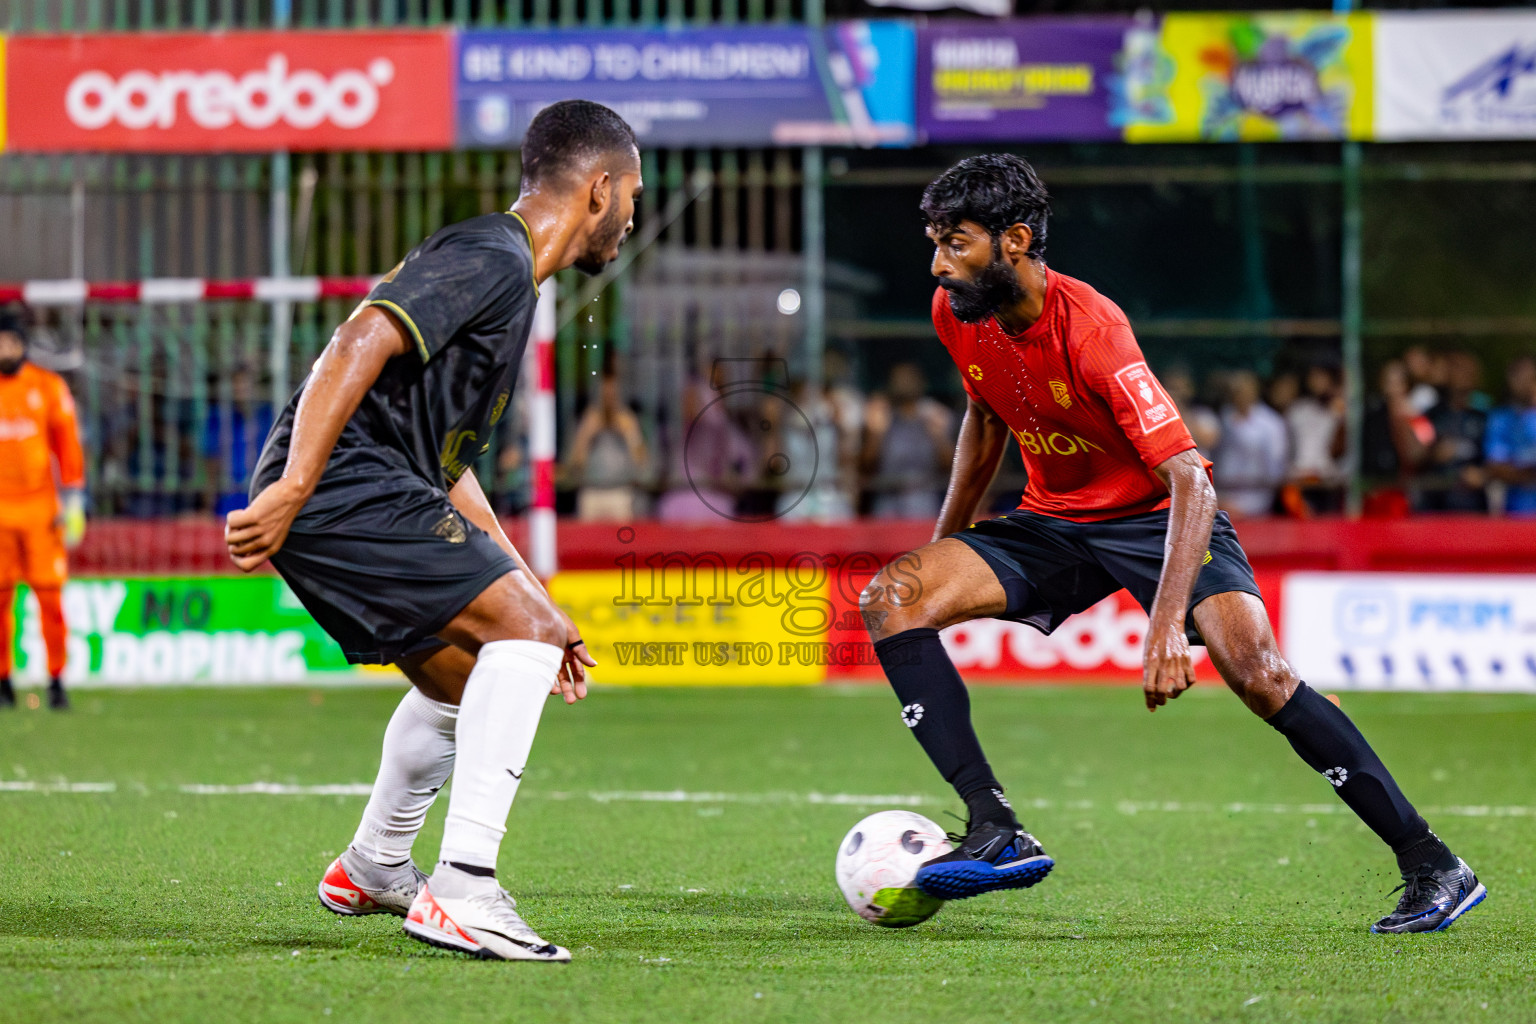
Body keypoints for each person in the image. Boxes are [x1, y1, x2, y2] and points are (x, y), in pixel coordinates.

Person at [858, 153, 1485, 934]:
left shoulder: (1093, 330)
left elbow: (1191, 479)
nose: (938, 263)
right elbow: (985, 419)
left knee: (1259, 675)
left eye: (956, 243)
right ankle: (996, 828)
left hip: (1161, 516)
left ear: (1014, 240)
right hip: (1054, 521)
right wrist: (944, 548)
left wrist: (1163, 628)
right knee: (893, 596)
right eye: (935, 241)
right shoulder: (956, 313)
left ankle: (1433, 864)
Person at [226, 100, 641, 961]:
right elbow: (355, 340)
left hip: (366, 484)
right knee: (514, 638)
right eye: (634, 192)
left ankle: (375, 865)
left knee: (465, 677)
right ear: (599, 189)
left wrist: (526, 592)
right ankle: (466, 889)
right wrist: (295, 485)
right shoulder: (491, 253)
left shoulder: (510, 277)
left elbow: (447, 463)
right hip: (343, 485)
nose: (634, 213)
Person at [0, 313, 85, 710]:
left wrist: (73, 500)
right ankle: (3, 680)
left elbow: (67, 445)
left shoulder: (47, 387)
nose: (5, 350)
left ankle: (56, 679)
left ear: (22, 345)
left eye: (11, 343)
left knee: (50, 598)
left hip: (39, 511)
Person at [861, 363, 954, 518]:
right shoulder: (881, 415)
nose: (903, 383)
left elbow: (951, 467)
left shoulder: (935, 415)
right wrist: (875, 434)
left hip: (923, 500)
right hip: (887, 501)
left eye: (909, 378)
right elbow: (866, 466)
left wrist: (939, 437)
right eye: (898, 379)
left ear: (921, 383)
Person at [569, 369, 648, 522]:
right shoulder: (588, 420)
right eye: (605, 395)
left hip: (620, 493)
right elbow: (574, 464)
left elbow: (642, 463)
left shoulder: (629, 420)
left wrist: (630, 434)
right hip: (591, 492)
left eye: (612, 395)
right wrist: (585, 436)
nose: (609, 399)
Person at [1417, 351, 1488, 513]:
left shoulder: (1484, 417)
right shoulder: (1429, 416)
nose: (1463, 375)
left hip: (1473, 508)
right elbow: (1415, 458)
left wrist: (1483, 473)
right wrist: (1432, 455)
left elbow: (1496, 459)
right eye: (1458, 370)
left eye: (1468, 371)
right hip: (1436, 507)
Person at [1215, 370, 1288, 517]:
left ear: (1254, 391)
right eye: (1236, 391)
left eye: (1243, 390)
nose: (1239, 395)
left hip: (1256, 497)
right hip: (1222, 494)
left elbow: (1277, 465)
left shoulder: (1271, 423)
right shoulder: (1225, 416)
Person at [1484, 355, 1536, 516]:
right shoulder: (1500, 419)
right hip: (1517, 514)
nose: (1522, 383)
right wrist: (1527, 475)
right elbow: (1496, 466)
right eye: (1516, 376)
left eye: (1528, 377)